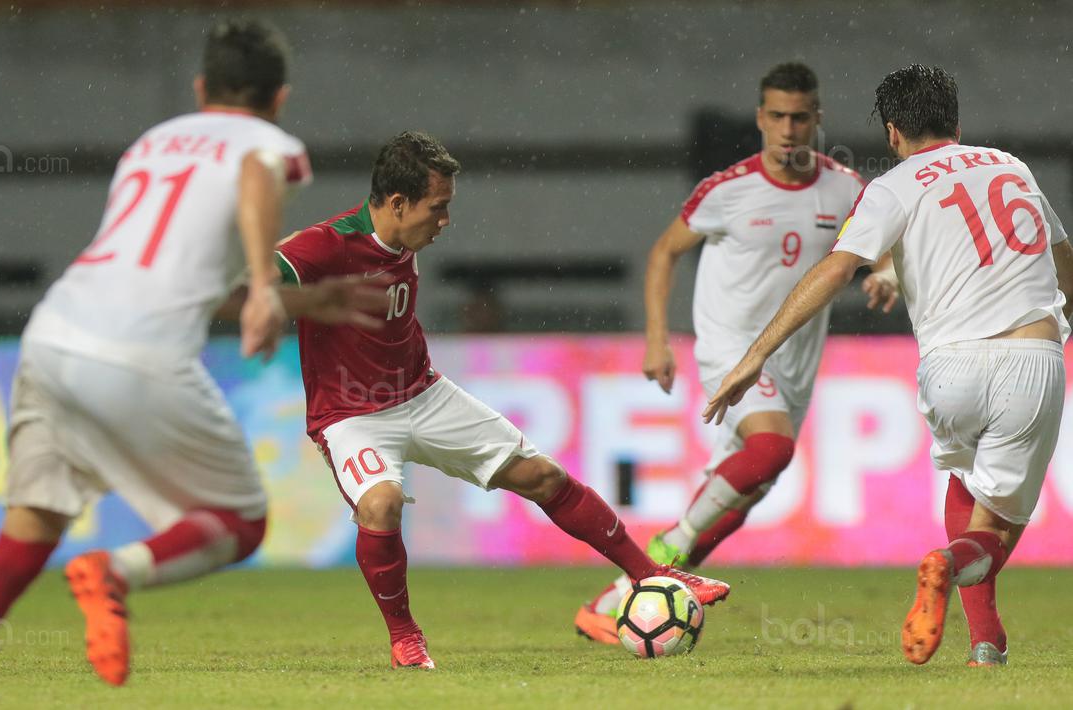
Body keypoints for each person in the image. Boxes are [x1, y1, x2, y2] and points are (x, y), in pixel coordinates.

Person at [0, 20, 390, 709]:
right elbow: (255, 169)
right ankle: (116, 573)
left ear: (199, 88)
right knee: (241, 520)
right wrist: (266, 285)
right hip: (137, 354)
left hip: (53, 336)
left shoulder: (149, 146)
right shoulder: (268, 145)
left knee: (22, 544)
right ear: (279, 98)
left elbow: (172, 276)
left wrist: (293, 299)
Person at [274, 131, 731, 670]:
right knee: (380, 505)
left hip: (423, 393)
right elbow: (256, 280)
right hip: (351, 416)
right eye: (437, 209)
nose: (445, 222)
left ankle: (652, 575)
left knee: (544, 477)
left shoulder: (401, 240)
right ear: (397, 204)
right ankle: (405, 638)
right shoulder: (324, 245)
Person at [703, 64, 1073, 667]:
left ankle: (986, 645)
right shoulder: (1012, 167)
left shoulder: (893, 185)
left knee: (962, 482)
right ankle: (949, 568)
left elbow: (832, 270)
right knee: (996, 528)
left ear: (893, 132)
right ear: (957, 121)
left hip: (949, 370)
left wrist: (755, 354)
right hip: (1030, 358)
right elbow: (1060, 257)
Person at [573, 62, 897, 644]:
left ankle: (611, 602)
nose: (789, 128)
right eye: (777, 115)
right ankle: (669, 545)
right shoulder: (727, 190)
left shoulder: (848, 187)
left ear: (817, 119)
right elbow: (664, 253)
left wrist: (889, 274)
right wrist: (655, 337)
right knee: (771, 448)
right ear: (760, 118)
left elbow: (884, 246)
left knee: (750, 492)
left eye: (800, 116)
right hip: (732, 348)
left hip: (797, 362)